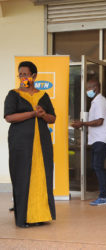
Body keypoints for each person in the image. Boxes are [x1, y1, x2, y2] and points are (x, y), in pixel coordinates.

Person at [4, 61, 56, 228]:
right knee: (22, 177)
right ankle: (23, 218)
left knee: (41, 177)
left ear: (34, 76)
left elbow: (52, 119)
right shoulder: (13, 95)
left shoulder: (43, 96)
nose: (22, 77)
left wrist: (43, 114)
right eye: (21, 74)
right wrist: (32, 113)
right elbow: (9, 117)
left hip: (41, 145)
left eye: (26, 74)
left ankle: (40, 215)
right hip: (20, 144)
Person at [72, 79, 106, 206]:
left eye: (88, 89)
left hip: (101, 139)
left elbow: (99, 121)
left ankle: (103, 196)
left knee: (97, 166)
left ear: (96, 88)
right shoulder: (97, 101)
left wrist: (82, 123)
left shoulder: (99, 102)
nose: (87, 91)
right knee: (96, 166)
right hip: (100, 138)